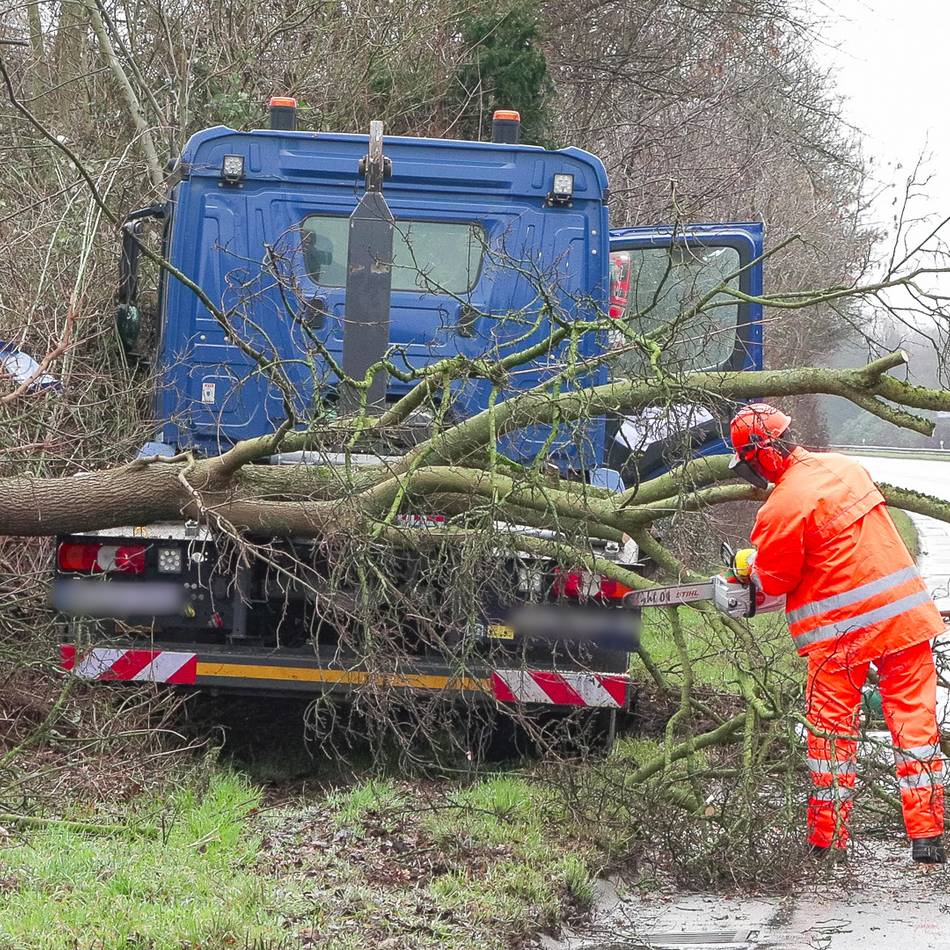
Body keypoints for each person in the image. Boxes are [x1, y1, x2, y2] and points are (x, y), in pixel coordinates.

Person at [728, 402, 946, 862]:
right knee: (915, 728)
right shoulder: (846, 468)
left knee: (830, 737)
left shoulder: (783, 505)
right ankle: (927, 838)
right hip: (905, 621)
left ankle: (830, 841)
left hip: (839, 639)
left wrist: (750, 570)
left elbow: (775, 582)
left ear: (762, 454)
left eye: (749, 464)